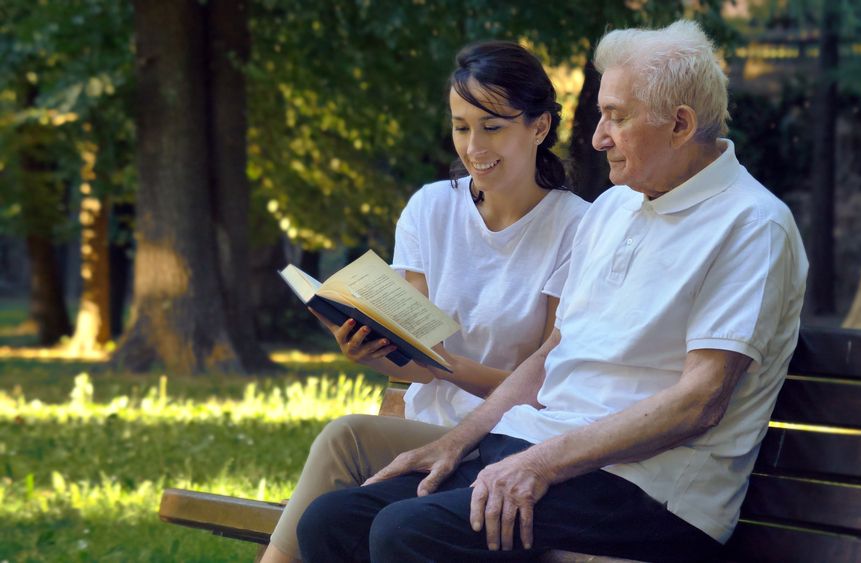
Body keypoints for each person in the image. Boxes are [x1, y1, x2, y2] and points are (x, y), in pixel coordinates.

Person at [295, 20, 808, 563]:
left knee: (407, 532)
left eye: (617, 117)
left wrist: (540, 464)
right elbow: (551, 353)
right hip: (544, 449)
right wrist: (458, 440)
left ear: (680, 124)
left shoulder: (752, 225)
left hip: (650, 490)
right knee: (334, 522)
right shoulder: (615, 207)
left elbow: (698, 404)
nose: (597, 137)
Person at [259, 42, 590, 563]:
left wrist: (447, 365)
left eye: (492, 126)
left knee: (343, 442)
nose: (474, 146)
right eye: (461, 127)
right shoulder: (431, 208)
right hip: (426, 431)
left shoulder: (577, 227)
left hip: (510, 440)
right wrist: (371, 349)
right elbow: (420, 362)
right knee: (337, 491)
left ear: (540, 127)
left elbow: (547, 387)